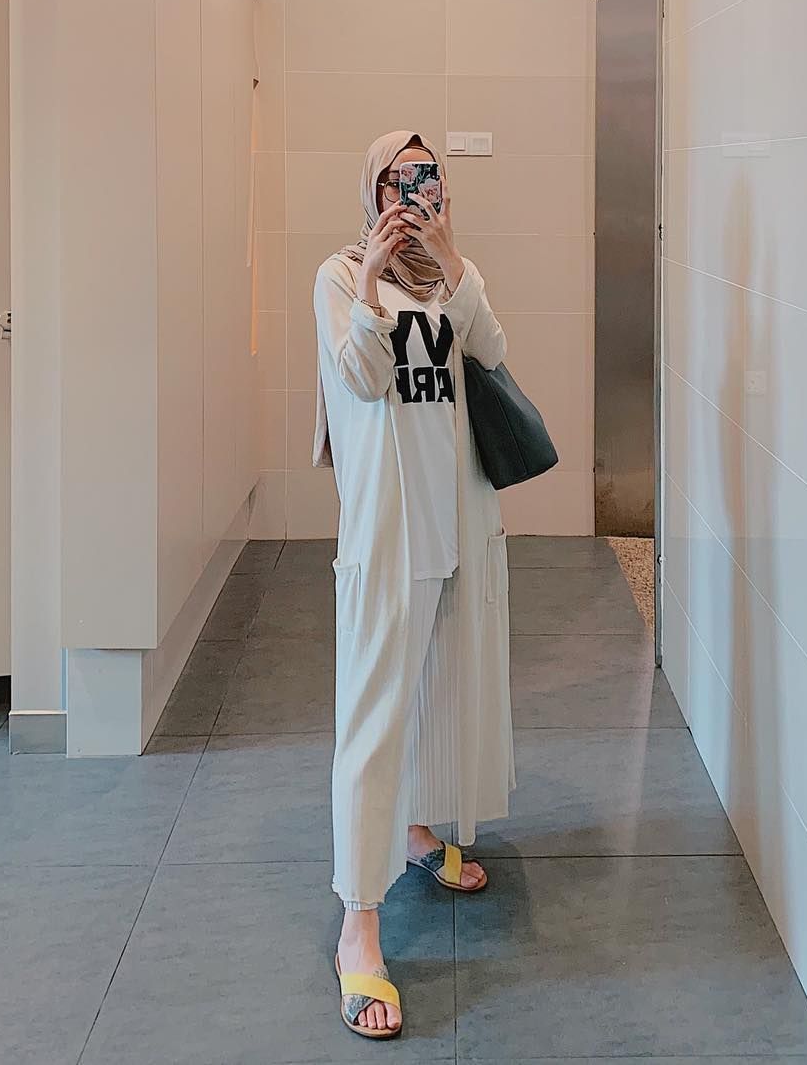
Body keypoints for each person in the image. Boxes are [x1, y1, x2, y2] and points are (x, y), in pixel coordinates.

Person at [312, 129, 516, 1039]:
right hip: (388, 533)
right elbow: (361, 378)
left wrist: (450, 257)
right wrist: (371, 281)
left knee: (436, 697)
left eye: (426, 178)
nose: (413, 193)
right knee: (372, 716)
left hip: (457, 522)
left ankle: (415, 831)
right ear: (373, 188)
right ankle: (359, 923)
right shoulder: (338, 275)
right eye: (398, 179)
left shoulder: (450, 279)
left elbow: (492, 350)